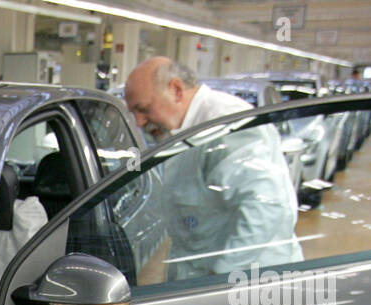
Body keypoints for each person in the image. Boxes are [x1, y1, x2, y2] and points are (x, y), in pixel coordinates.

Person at [123, 56, 301, 281]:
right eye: (134, 113)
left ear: (176, 90)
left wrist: (221, 279)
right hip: (199, 272)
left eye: (144, 109)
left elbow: (265, 208)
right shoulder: (182, 129)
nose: (139, 122)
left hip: (247, 282)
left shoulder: (226, 125)